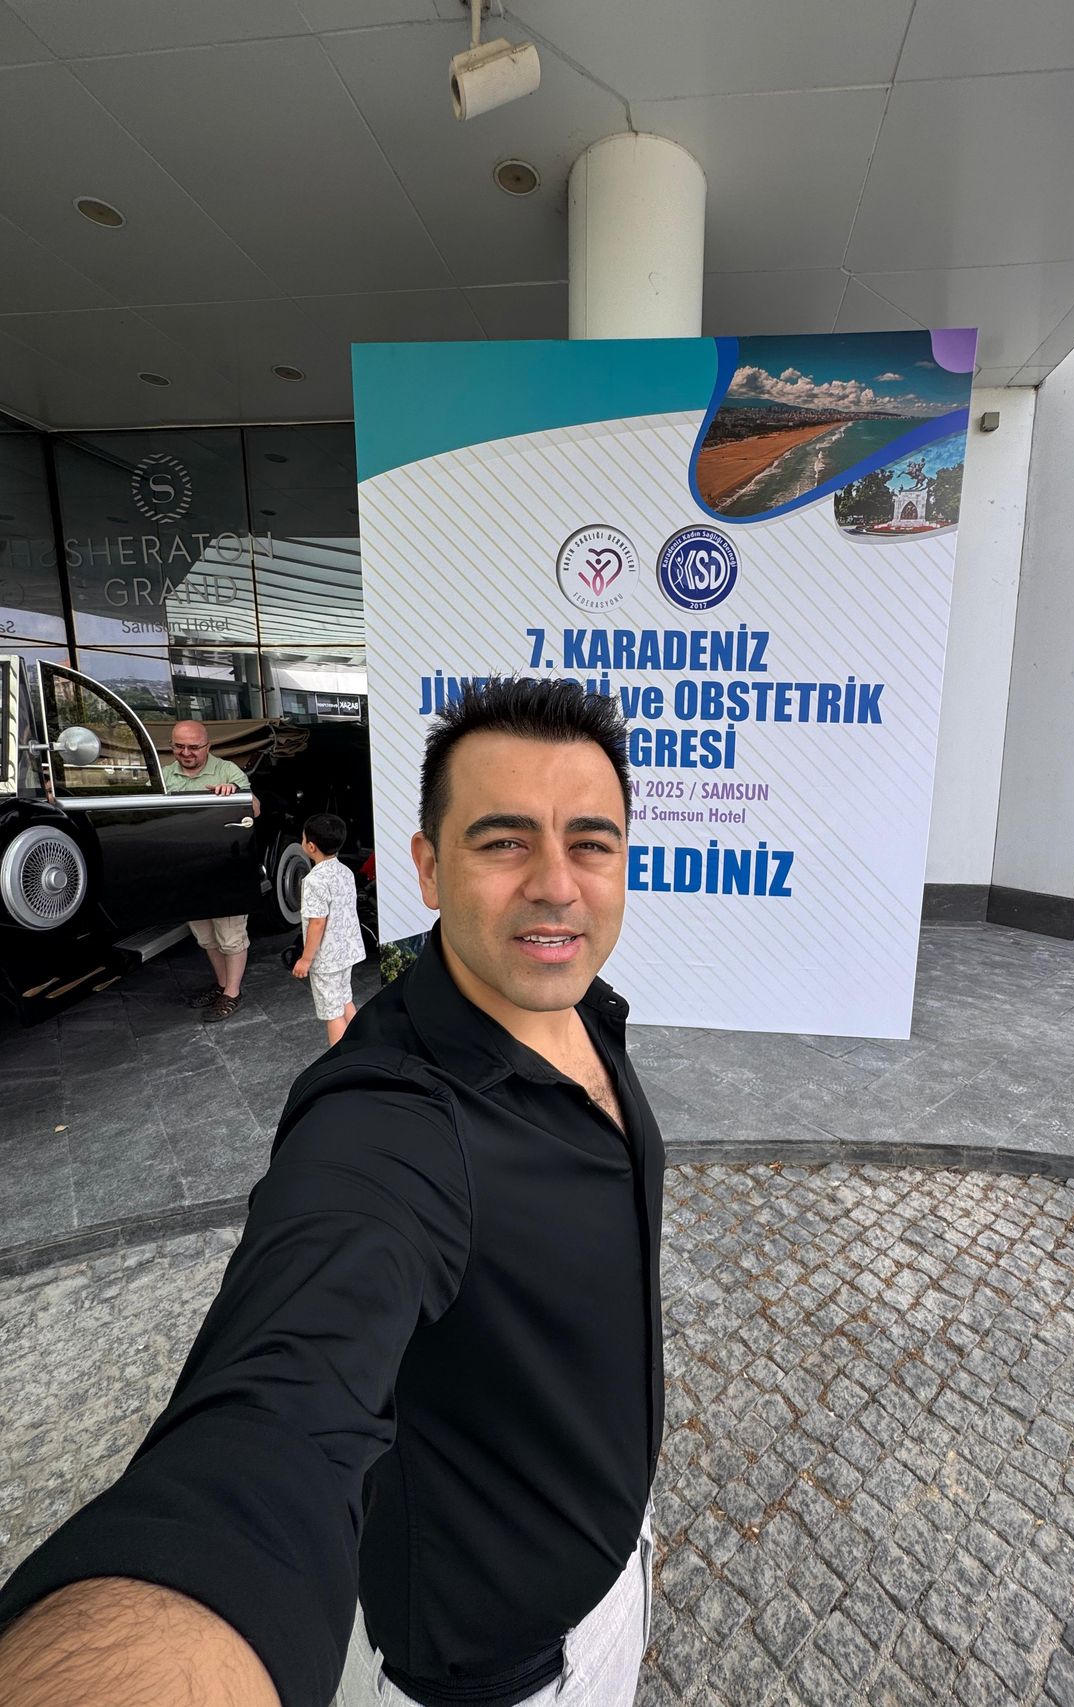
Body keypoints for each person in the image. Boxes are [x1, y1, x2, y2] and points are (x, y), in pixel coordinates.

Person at [0, 678, 664, 1707]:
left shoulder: (590, 1013)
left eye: (591, 843)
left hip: (612, 1559)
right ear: (428, 867)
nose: (555, 884)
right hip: (506, 1676)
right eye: (502, 841)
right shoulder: (389, 1117)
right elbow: (272, 1423)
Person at [161, 718, 260, 1022]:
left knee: (231, 936)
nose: (186, 752)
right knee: (205, 936)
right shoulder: (164, 775)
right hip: (188, 870)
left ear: (208, 745)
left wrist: (234, 792)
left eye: (193, 747)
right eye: (179, 746)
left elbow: (255, 808)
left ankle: (233, 993)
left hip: (224, 868)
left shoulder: (228, 770)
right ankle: (222, 985)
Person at [292, 811, 365, 1045]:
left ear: (311, 846)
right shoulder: (345, 872)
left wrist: (306, 959)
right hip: (347, 950)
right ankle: (363, 1043)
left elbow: (317, 922)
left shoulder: (314, 881)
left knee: (332, 1013)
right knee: (344, 999)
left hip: (327, 959)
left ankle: (342, 1060)